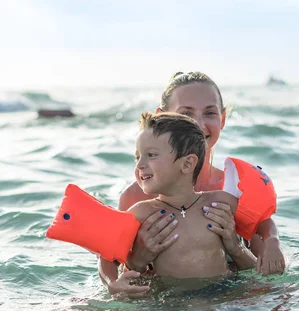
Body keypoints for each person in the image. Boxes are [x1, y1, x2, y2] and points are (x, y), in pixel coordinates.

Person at [100, 72, 285, 297]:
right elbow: (110, 259)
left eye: (209, 113)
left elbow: (261, 253)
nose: (197, 123)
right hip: (166, 302)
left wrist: (271, 243)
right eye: (186, 114)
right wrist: (133, 263)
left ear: (223, 119)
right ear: (162, 118)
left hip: (228, 299)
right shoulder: (137, 199)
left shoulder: (231, 191)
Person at [127, 111, 238, 279]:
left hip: (223, 296)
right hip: (169, 303)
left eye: (151, 155)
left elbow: (257, 267)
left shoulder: (221, 204)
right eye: (137, 157)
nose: (140, 165)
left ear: (187, 164)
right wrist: (135, 263)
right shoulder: (140, 214)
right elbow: (119, 270)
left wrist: (236, 248)